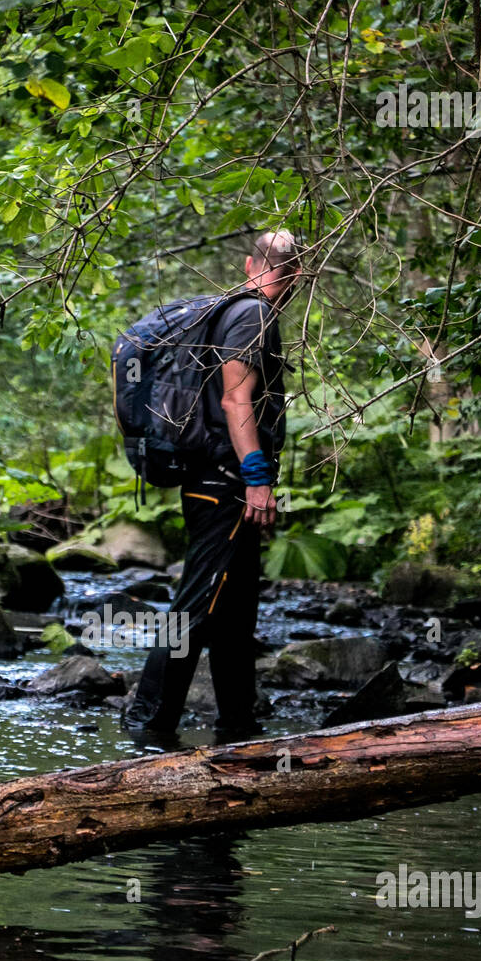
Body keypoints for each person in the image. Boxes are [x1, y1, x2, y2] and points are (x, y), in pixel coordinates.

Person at [120, 229, 301, 743]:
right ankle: (147, 725)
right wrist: (257, 478)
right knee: (197, 607)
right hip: (224, 481)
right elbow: (234, 401)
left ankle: (238, 724)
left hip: (220, 478)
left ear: (249, 264)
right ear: (300, 273)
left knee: (236, 610)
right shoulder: (252, 316)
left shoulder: (230, 308)